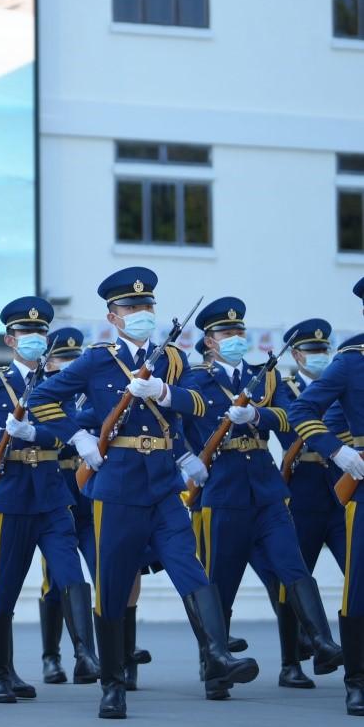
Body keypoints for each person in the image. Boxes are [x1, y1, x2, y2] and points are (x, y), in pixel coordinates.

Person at [26, 267, 259, 718]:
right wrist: (78, 438)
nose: (141, 314)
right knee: (112, 586)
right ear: (113, 317)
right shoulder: (97, 360)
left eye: (146, 306)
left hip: (164, 484)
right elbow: (42, 400)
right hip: (116, 488)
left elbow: (201, 404)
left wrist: (165, 393)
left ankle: (217, 655)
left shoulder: (171, 359)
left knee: (189, 568)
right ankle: (113, 684)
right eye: (131, 308)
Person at [181, 299, 342, 697]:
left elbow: (292, 417)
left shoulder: (264, 379)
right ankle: (215, 667)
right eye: (226, 333)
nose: (235, 338)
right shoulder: (195, 380)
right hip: (223, 492)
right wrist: (187, 459)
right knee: (223, 583)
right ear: (210, 341)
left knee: (293, 567)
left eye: (239, 331)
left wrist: (256, 416)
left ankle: (321, 642)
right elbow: (175, 422)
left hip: (268, 492)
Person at [0, 299, 99, 703]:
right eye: (27, 334)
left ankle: (85, 654)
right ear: (10, 340)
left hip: (50, 490)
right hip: (11, 493)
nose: (36, 340)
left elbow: (69, 430)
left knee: (70, 574)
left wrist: (37, 435)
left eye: (40, 333)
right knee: (3, 587)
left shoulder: (56, 382)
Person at [289, 278, 364, 716]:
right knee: (359, 587)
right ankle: (356, 680)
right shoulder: (352, 362)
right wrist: (338, 451)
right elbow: (303, 409)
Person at [273, 318, 347, 687]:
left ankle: (338, 654)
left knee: (356, 573)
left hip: (338, 489)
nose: (320, 357)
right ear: (297, 355)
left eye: (324, 351)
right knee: (295, 579)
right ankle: (291, 663)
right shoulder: (285, 388)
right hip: (301, 492)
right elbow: (291, 422)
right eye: (313, 352)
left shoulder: (339, 386)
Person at [34, 328, 103, 687]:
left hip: (90, 493)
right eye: (62, 358)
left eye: (75, 359)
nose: (68, 366)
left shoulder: (90, 394)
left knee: (102, 571)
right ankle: (51, 656)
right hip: (56, 486)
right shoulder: (42, 395)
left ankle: (96, 653)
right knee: (56, 579)